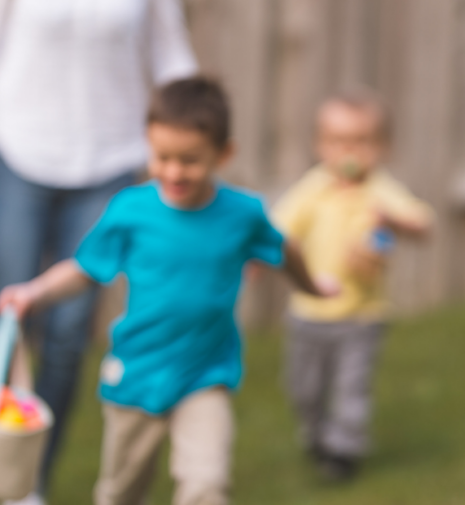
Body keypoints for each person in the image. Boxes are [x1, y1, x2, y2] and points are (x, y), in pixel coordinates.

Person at [0, 77, 337, 505]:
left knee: (206, 484)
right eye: (162, 157)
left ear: (224, 153)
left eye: (190, 160)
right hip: (136, 374)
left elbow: (284, 247)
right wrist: (34, 293)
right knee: (120, 493)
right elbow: (86, 269)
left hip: (205, 374)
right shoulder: (131, 210)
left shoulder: (243, 214)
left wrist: (313, 287)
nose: (174, 171)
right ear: (148, 145)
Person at [0, 0, 196, 500]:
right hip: (18, 158)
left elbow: (171, 58)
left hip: (108, 164)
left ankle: (30, 478)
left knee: (65, 331)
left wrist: (200, 134)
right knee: (10, 321)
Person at [272, 89, 433, 480]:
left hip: (363, 315)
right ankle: (315, 434)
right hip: (309, 311)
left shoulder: (379, 190)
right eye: (338, 142)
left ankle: (343, 452)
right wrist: (258, 261)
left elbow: (423, 223)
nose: (349, 152)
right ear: (319, 145)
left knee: (350, 386)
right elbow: (278, 229)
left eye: (361, 142)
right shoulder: (314, 188)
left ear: (382, 147)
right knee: (303, 388)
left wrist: (393, 221)